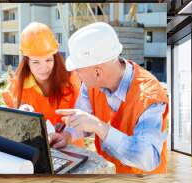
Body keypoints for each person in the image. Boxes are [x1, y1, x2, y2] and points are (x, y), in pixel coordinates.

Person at [51, 22, 169, 174]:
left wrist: (99, 126)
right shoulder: (90, 84)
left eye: (78, 70)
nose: (76, 74)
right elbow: (83, 121)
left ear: (97, 72)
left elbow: (148, 159)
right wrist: (67, 135)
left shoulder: (149, 97)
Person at [2, 22, 84, 147]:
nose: (43, 68)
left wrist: (67, 129)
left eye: (48, 60)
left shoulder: (72, 80)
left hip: (72, 149)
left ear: (55, 58)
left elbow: (84, 115)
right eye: (36, 62)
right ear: (27, 62)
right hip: (36, 151)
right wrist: (20, 114)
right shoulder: (16, 87)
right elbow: (11, 126)